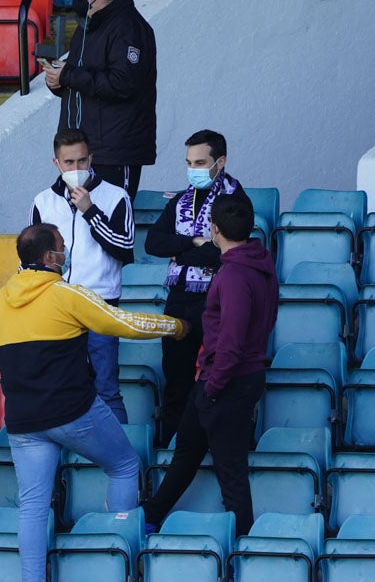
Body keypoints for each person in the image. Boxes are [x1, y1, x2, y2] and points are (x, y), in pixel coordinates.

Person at [0, 223, 187, 582]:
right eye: (62, 245)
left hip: (25, 420)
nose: (66, 251)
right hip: (74, 411)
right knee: (124, 465)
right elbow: (124, 323)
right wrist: (176, 327)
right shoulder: (67, 295)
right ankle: (117, 562)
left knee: (32, 506)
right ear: (50, 257)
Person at [143, 194, 277, 536]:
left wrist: (213, 387)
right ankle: (150, 515)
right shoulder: (260, 264)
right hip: (227, 379)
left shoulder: (233, 275)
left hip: (225, 381)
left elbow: (230, 343)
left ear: (214, 230)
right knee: (186, 451)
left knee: (230, 472)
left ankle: (243, 550)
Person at [144, 129, 251, 445]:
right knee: (175, 377)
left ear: (221, 161)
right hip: (178, 297)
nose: (194, 169)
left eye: (201, 162)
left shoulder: (235, 198)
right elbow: (153, 243)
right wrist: (193, 241)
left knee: (217, 376)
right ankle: (175, 445)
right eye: (190, 162)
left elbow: (224, 252)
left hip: (214, 298)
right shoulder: (180, 199)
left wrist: (181, 249)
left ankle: (215, 444)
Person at [30, 129, 135, 422]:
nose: (75, 169)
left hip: (100, 304)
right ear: (56, 163)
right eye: (68, 163)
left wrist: (90, 211)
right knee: (60, 388)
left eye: (81, 161)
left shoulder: (116, 196)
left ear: (91, 159)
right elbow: (30, 260)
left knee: (106, 388)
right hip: (58, 307)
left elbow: (125, 249)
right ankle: (71, 462)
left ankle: (118, 462)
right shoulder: (42, 201)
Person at [45, 0, 156, 201]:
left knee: (111, 222)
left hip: (114, 153)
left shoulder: (128, 27)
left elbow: (123, 83)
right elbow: (83, 79)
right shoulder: (88, 26)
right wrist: (59, 82)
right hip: (81, 150)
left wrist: (70, 75)